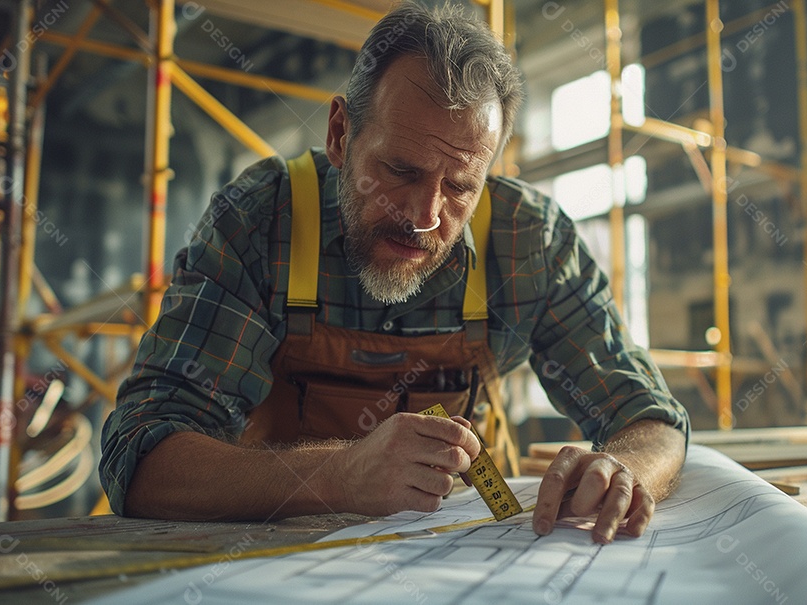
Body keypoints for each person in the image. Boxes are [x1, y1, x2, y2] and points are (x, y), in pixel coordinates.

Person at [100, 1, 689, 545]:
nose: (424, 216)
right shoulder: (261, 222)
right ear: (340, 134)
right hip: (272, 561)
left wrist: (626, 467)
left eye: (460, 187)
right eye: (400, 170)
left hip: (453, 556)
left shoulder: (528, 240)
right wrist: (342, 475)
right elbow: (141, 460)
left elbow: (651, 418)